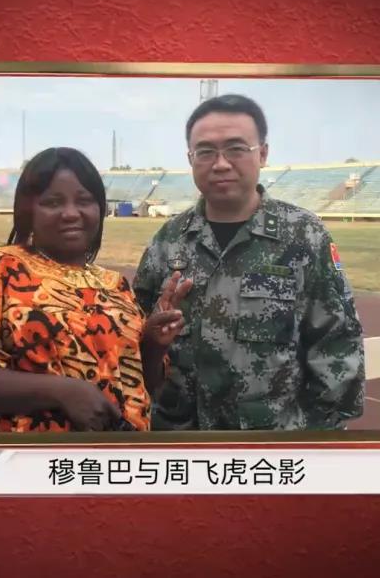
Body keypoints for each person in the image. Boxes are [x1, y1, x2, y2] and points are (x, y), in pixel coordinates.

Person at [0, 147, 189, 432]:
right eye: (53, 202)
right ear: (28, 211)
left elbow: (139, 387)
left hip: (107, 461)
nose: (71, 213)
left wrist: (152, 344)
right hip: (17, 462)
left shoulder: (116, 286)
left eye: (84, 200)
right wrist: (60, 392)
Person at [133, 94, 365, 431]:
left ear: (263, 154)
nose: (221, 164)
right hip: (180, 439)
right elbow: (133, 337)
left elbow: (338, 346)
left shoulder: (304, 236)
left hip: (270, 445)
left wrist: (312, 439)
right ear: (190, 158)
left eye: (236, 148)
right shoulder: (167, 241)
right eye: (205, 151)